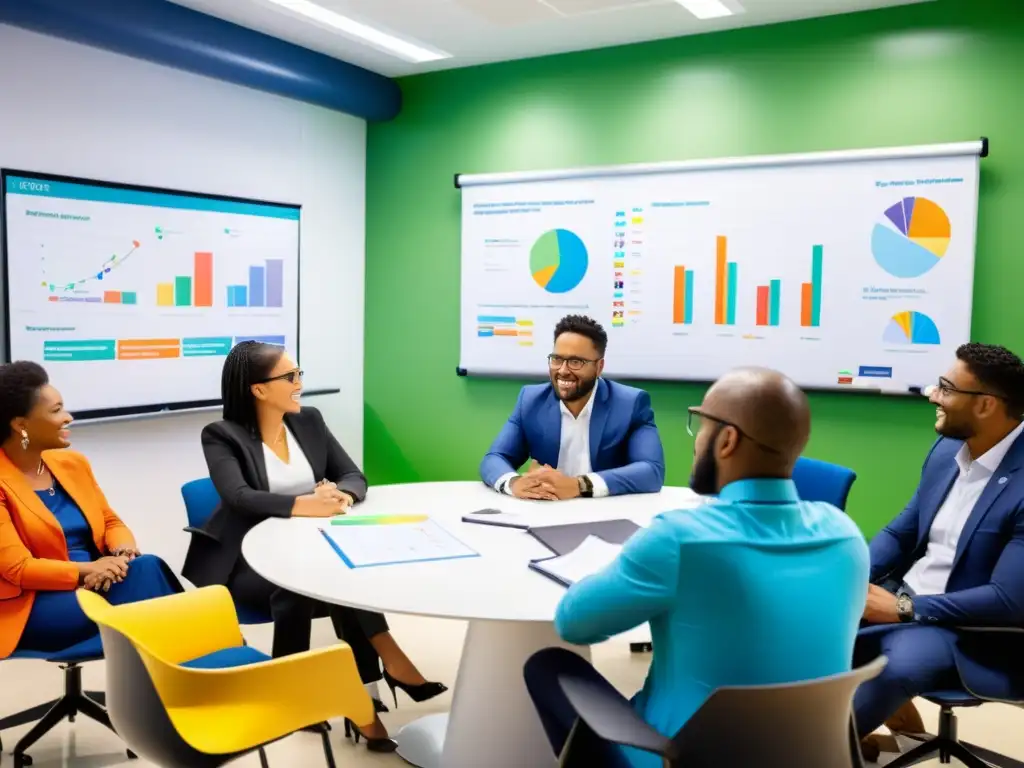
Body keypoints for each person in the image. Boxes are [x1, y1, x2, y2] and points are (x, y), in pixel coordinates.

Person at [524, 367, 869, 768]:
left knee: (549, 664)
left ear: (727, 440)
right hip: (812, 755)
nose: (695, 440)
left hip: (677, 757)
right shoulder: (847, 536)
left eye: (700, 426)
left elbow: (574, 623)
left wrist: (625, 565)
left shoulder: (679, 539)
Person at [182, 341, 445, 752]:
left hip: (308, 550)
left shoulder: (309, 421)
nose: (300, 383)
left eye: (299, 373)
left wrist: (341, 496)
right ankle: (361, 676)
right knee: (306, 582)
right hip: (246, 562)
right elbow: (238, 496)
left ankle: (361, 704)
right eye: (291, 377)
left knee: (340, 575)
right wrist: (308, 505)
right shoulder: (221, 435)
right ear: (258, 389)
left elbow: (354, 475)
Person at [854, 343, 1024, 760]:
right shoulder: (948, 452)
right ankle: (844, 739)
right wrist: (854, 580)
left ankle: (804, 749)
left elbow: (1008, 601)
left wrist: (905, 609)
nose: (932, 393)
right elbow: (901, 531)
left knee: (900, 665)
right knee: (805, 622)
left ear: (985, 405)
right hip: (908, 601)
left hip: (978, 633)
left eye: (947, 388)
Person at [0, 362, 182, 659]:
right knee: (152, 605)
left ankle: (172, 680)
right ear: (21, 425)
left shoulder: (72, 464)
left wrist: (121, 557)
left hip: (100, 581)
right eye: (56, 410)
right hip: (33, 604)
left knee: (146, 567)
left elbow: (110, 522)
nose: (68, 417)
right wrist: (87, 572)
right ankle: (189, 677)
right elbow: (18, 569)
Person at [480, 314, 664, 500]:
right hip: (549, 509)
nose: (563, 371)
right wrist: (515, 483)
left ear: (599, 367)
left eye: (576, 362)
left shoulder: (630, 403)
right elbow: (494, 459)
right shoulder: (531, 400)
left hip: (607, 512)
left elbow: (651, 471)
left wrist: (579, 485)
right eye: (557, 359)